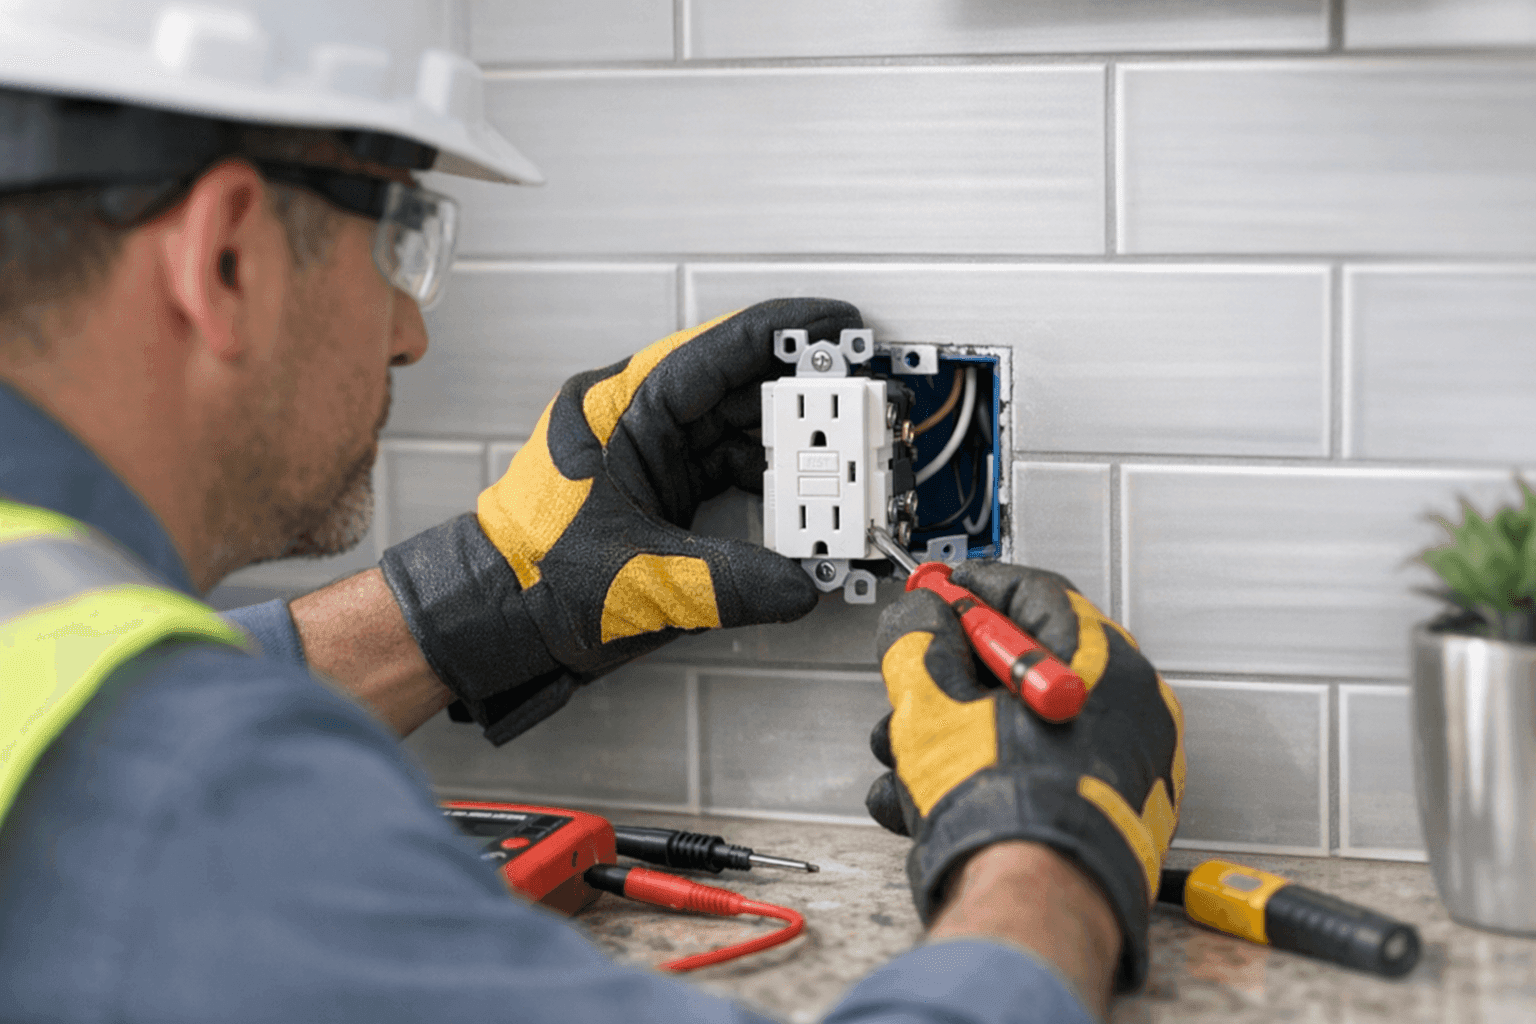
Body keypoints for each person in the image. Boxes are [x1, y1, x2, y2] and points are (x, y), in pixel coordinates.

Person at [0, 2, 1185, 1022]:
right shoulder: (196, 806)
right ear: (226, 262)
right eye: (399, 235)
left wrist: (488, 587)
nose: (410, 330)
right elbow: (161, 768)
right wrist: (1046, 856)